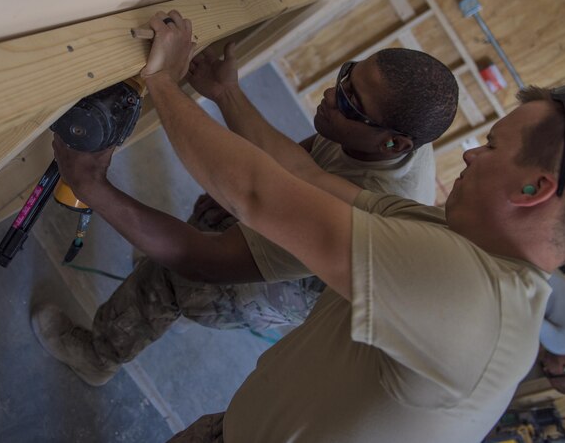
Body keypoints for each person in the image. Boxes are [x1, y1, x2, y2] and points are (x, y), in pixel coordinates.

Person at [93, 10, 565, 442]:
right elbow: (302, 174)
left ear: (534, 191)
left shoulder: (471, 293)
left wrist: (160, 82)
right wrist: (225, 95)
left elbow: (258, 196)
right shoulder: (450, 235)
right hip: (229, 429)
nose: (469, 157)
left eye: (490, 147)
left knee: (178, 278)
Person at [31, 44, 460, 386]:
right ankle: (160, 308)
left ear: (394, 144)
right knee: (203, 223)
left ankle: (97, 356)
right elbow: (301, 163)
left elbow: (202, 260)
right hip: (306, 227)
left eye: (350, 102)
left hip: (294, 285)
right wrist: (224, 92)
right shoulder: (379, 132)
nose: (332, 95)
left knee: (173, 276)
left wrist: (92, 185)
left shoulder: (362, 211)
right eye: (345, 75)